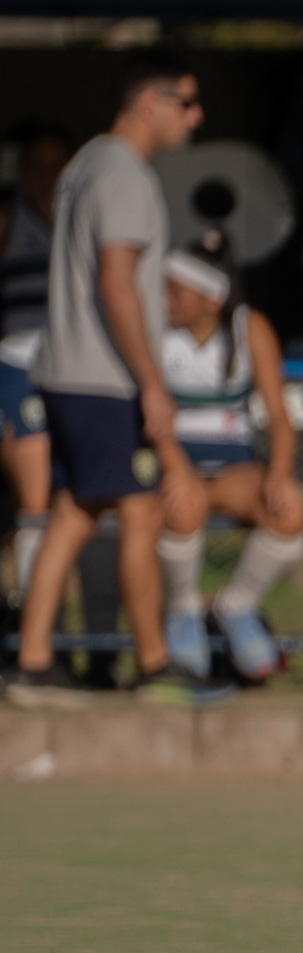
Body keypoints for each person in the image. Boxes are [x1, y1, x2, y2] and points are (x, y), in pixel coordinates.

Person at [6, 53, 227, 708]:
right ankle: (155, 662)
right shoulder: (123, 173)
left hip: (68, 372)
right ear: (149, 103)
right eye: (186, 102)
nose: (196, 115)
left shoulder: (88, 165)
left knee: (73, 514)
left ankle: (34, 661)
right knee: (141, 509)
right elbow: (116, 282)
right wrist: (151, 380)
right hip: (102, 379)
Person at [156, 232, 303, 681]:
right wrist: (178, 470)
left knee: (290, 510)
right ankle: (183, 613)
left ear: (210, 298)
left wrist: (279, 473)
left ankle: (237, 607)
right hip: (172, 457)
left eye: (176, 292)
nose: (165, 301)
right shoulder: (153, 330)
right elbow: (147, 414)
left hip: (232, 461)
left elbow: (279, 418)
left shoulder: (249, 327)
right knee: (183, 508)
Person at [0, 125, 72, 610]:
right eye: (36, 166)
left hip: (74, 371)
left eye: (55, 165)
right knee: (36, 498)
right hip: (16, 365)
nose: (46, 177)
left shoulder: (85, 219)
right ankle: (35, 633)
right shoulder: (9, 219)